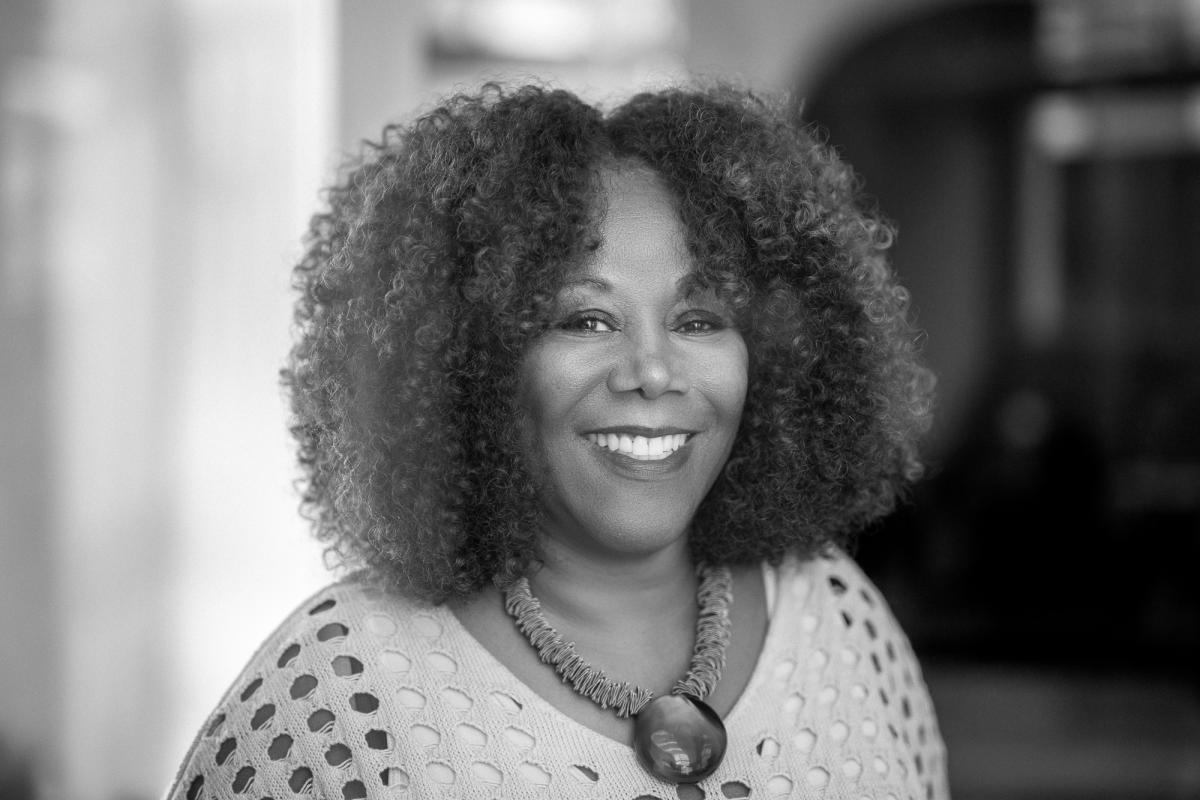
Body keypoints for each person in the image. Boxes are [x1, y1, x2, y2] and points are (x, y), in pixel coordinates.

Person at [167, 83, 945, 800]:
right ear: (473, 359)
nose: (651, 370)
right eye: (585, 319)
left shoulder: (838, 618)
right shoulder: (333, 703)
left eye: (700, 319)